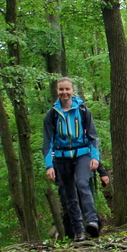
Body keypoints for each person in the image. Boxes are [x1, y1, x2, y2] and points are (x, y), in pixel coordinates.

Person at [42, 77, 101, 242]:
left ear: (72, 90)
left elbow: (93, 136)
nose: (64, 93)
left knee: (82, 184)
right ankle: (79, 232)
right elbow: (48, 142)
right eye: (61, 89)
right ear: (57, 91)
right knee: (69, 195)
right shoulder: (51, 115)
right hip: (61, 158)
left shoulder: (82, 110)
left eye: (67, 89)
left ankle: (92, 221)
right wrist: (49, 166)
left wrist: (95, 158)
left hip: (82, 154)